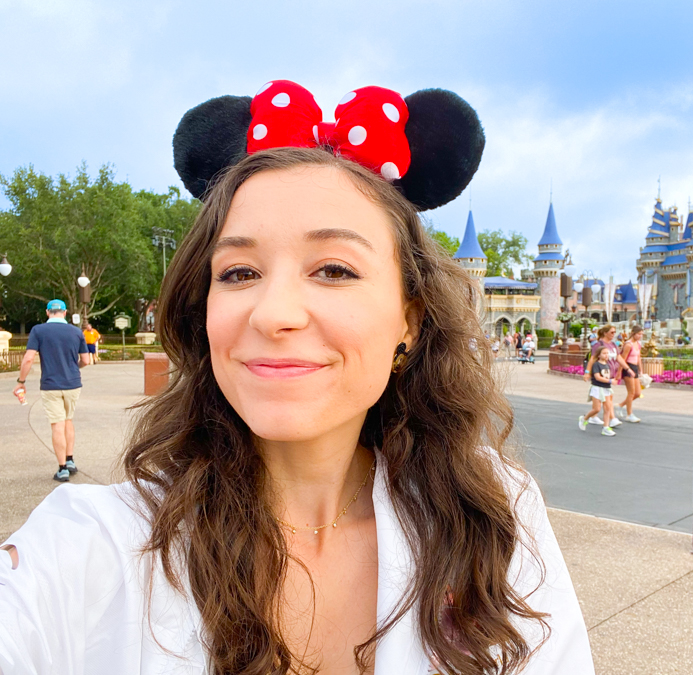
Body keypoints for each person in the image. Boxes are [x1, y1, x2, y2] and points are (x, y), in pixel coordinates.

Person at [0, 120, 592, 670]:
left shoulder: (491, 515)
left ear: (409, 319)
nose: (274, 313)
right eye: (238, 272)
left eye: (334, 269)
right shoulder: (88, 549)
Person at [13, 299, 90, 482]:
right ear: (65, 313)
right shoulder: (76, 332)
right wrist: (74, 367)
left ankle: (62, 468)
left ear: (48, 313)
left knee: (57, 424)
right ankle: (70, 460)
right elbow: (86, 360)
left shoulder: (38, 331)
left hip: (51, 384)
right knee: (68, 420)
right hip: (73, 383)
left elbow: (28, 359)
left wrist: (20, 381)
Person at [583, 324, 624, 428]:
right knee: (601, 402)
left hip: (608, 374)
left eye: (615, 332)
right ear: (605, 333)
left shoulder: (613, 344)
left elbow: (619, 358)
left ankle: (605, 422)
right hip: (601, 376)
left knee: (606, 400)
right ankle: (590, 418)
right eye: (612, 332)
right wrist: (587, 372)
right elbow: (592, 358)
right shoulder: (599, 345)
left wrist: (625, 368)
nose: (614, 334)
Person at [578, 346, 615, 436]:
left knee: (607, 408)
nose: (606, 355)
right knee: (596, 409)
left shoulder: (608, 364)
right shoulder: (596, 365)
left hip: (606, 388)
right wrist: (610, 381)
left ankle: (606, 427)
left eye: (607, 353)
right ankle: (584, 418)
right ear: (599, 355)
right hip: (597, 388)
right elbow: (598, 377)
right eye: (604, 353)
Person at [616, 326, 644, 423]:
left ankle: (620, 405)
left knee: (637, 393)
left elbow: (638, 357)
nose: (640, 336)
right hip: (628, 368)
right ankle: (629, 414)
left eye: (641, 334)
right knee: (631, 392)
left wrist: (641, 370)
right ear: (633, 333)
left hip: (635, 367)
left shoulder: (638, 344)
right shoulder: (628, 344)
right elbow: (622, 359)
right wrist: (619, 372)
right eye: (639, 334)